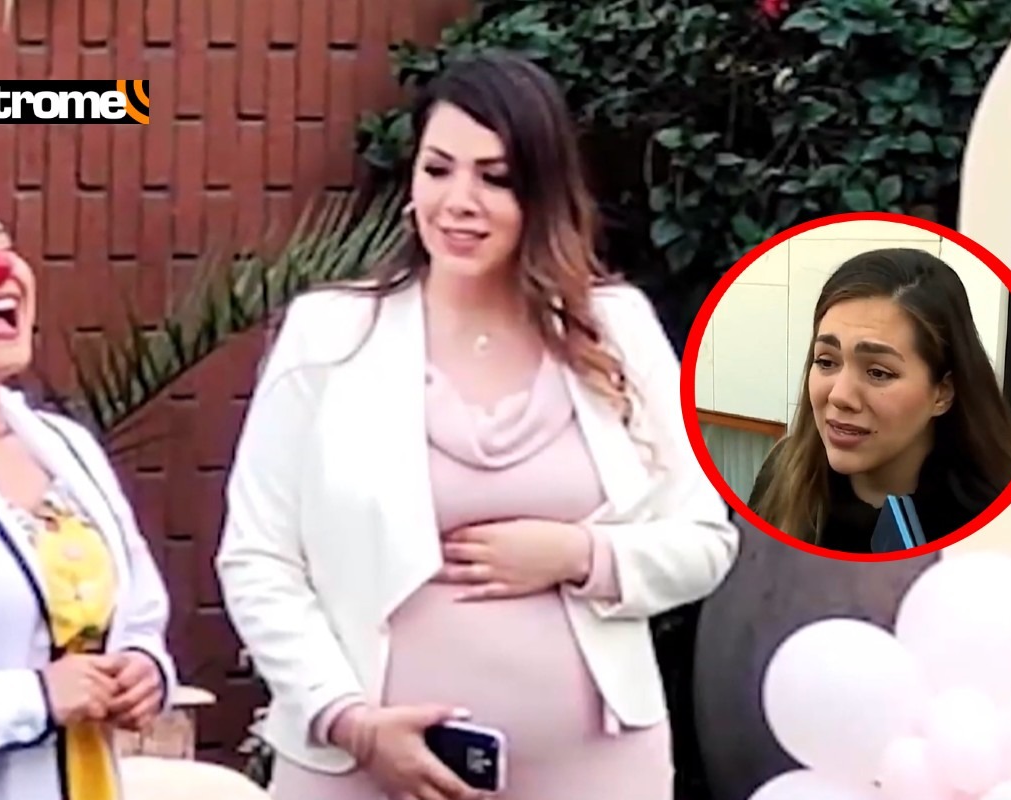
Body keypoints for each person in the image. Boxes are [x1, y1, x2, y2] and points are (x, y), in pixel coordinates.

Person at [216, 51, 739, 800]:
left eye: (494, 178)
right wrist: (349, 721)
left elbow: (705, 541)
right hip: (361, 769)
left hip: (593, 767)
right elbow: (258, 557)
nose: (459, 201)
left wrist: (579, 554)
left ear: (542, 194)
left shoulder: (615, 329)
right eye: (438, 170)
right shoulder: (328, 334)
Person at [0, 162, 178, 799]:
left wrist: (146, 668)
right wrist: (33, 698)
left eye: (2, 248)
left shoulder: (66, 446)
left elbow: (141, 613)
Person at [748, 247, 1011, 552]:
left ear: (943, 392)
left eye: (878, 373)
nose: (840, 396)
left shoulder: (1003, 525)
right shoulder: (784, 472)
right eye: (826, 362)